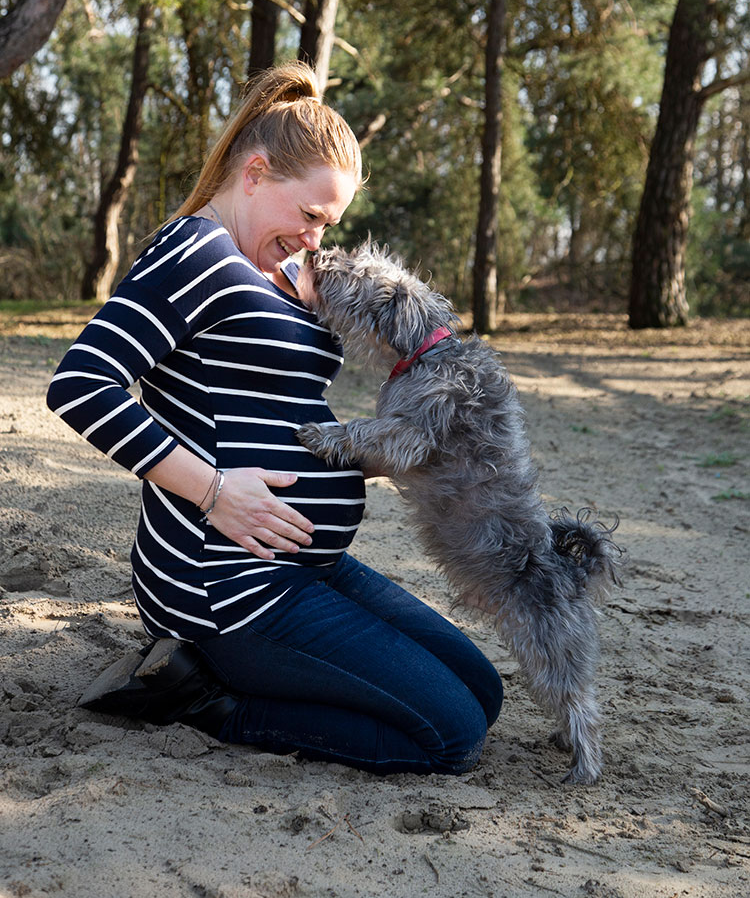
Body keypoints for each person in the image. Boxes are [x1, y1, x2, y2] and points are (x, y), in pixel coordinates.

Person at [47, 62, 503, 775]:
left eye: (330, 223)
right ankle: (203, 699)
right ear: (255, 172)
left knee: (483, 690)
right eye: (312, 215)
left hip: (306, 562)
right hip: (229, 581)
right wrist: (215, 491)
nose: (317, 237)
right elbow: (81, 384)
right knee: (450, 735)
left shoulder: (271, 265)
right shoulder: (191, 253)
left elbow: (279, 393)